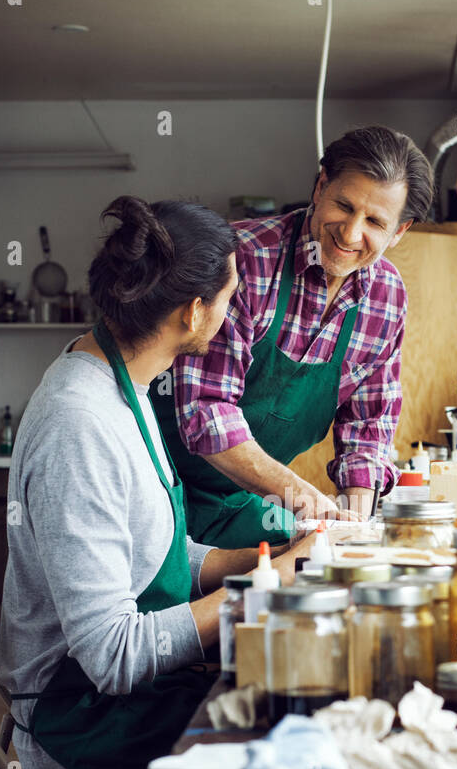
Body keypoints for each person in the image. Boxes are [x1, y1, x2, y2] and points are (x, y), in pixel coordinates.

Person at [0, 196, 313, 769]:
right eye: (231, 298)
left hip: (122, 698)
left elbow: (155, 555)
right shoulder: (79, 425)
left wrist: (266, 561)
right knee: (285, 757)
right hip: (79, 723)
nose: (235, 312)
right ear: (195, 312)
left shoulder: (125, 384)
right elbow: (113, 656)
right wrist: (260, 594)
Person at [151, 125, 434, 547]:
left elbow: (367, 428)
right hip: (157, 489)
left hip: (244, 504)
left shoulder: (387, 298)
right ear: (320, 187)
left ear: (400, 231)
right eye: (344, 205)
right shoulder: (242, 259)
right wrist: (303, 496)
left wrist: (353, 530)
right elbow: (206, 411)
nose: (351, 233)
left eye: (375, 221)